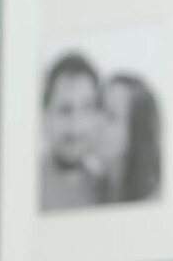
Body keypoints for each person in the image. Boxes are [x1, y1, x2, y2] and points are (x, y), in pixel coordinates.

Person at [39, 53, 105, 211]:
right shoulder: (27, 186)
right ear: (46, 116)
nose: (76, 126)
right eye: (64, 110)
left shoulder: (106, 189)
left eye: (87, 108)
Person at [100, 74, 162, 203]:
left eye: (111, 116)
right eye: (98, 107)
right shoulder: (91, 188)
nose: (96, 122)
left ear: (136, 133)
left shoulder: (152, 201)